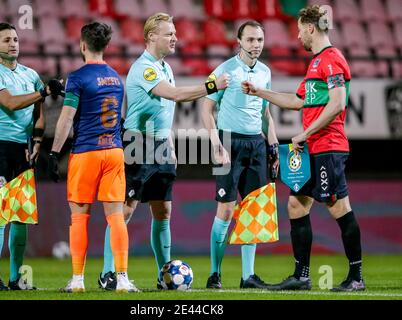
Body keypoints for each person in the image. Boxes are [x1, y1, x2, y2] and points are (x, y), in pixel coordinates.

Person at [98, 12, 229, 290]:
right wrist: (211, 86)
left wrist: (168, 144)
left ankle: (165, 275)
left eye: (175, 33)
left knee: (163, 211)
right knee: (126, 210)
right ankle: (109, 272)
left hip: (160, 146)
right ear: (151, 37)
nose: (175, 38)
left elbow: (164, 111)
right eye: (169, 34)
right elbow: (175, 96)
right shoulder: (144, 68)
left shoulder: (164, 66)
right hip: (137, 143)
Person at [242, 5, 365, 292]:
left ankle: (356, 277)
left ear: (311, 28)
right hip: (312, 147)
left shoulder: (332, 59)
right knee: (296, 205)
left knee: (338, 206)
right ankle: (302, 276)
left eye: (299, 29)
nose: (297, 36)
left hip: (327, 146)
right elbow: (298, 101)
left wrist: (305, 133)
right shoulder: (315, 64)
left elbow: (337, 104)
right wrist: (259, 92)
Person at [47, 22, 139, 293]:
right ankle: (122, 279)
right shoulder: (115, 78)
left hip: (86, 152)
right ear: (106, 46)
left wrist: (54, 152)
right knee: (116, 219)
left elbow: (66, 118)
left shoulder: (77, 77)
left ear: (83, 45)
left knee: (79, 218)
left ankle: (77, 281)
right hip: (113, 151)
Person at [0, 22, 62, 291]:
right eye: (6, 40)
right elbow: (11, 103)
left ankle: (16, 278)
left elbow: (40, 113)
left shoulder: (30, 74)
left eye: (15, 39)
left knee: (21, 214)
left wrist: (38, 141)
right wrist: (43, 92)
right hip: (1, 147)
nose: (13, 43)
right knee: (0, 210)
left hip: (24, 148)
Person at [201, 21, 279, 289]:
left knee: (252, 211)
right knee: (225, 210)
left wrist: (273, 144)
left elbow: (266, 113)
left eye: (259, 39)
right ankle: (215, 274)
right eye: (250, 40)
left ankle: (248, 277)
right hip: (228, 142)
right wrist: (215, 143)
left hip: (256, 144)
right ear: (238, 41)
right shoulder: (224, 70)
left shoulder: (266, 72)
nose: (256, 44)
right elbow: (205, 108)